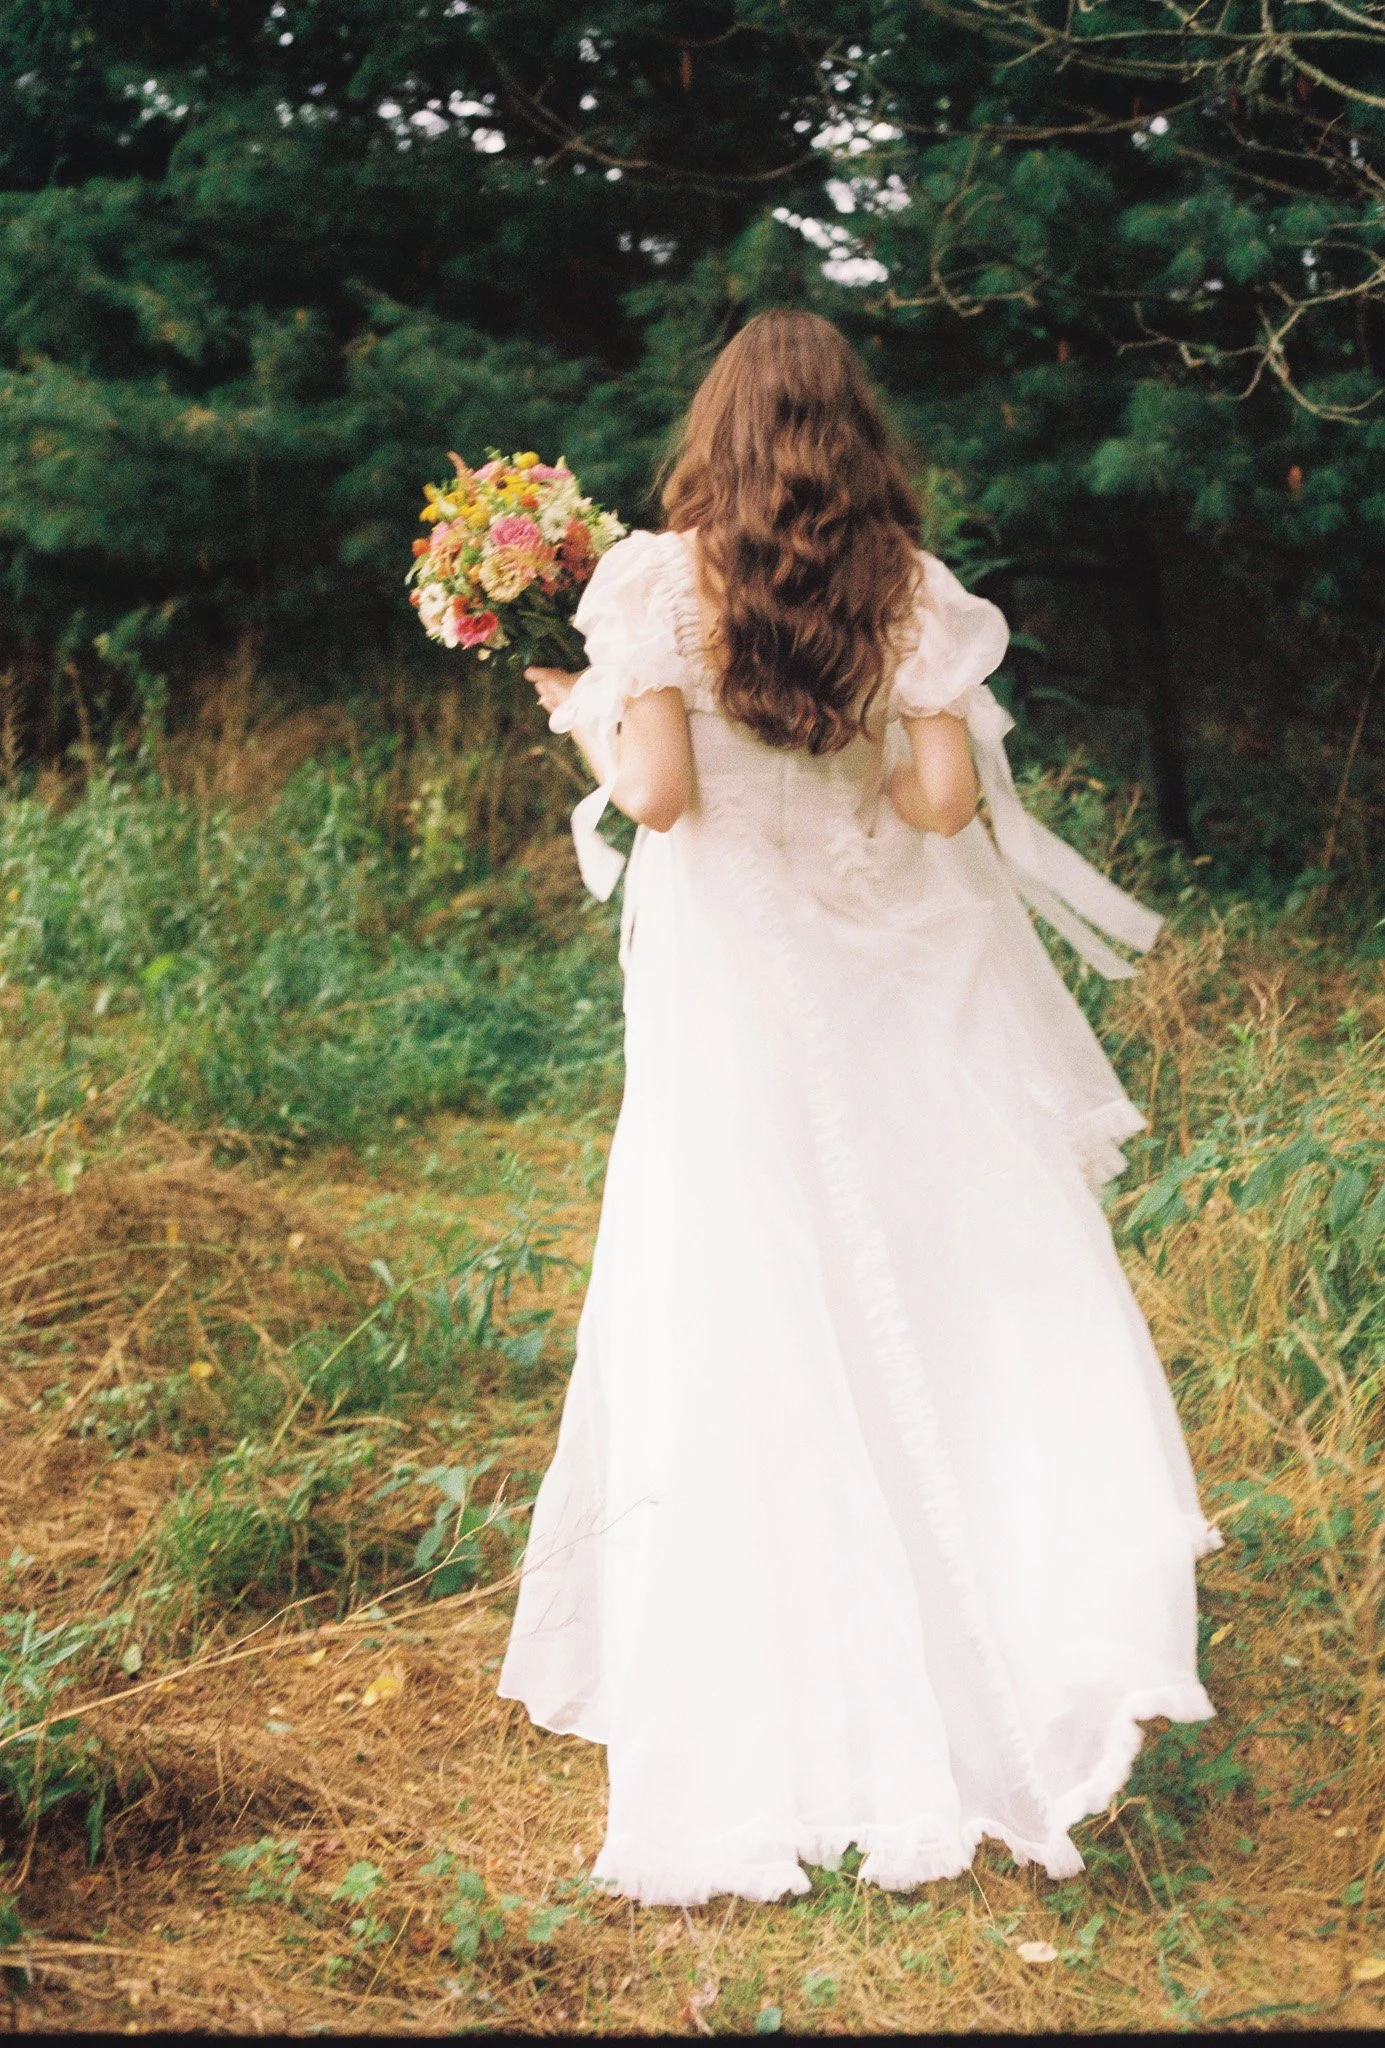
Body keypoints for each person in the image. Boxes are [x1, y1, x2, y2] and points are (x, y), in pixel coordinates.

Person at [499, 308, 1219, 1908]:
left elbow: (663, 798)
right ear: (856, 439)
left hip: (734, 993)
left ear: (721, 435)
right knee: (926, 1282)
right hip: (878, 981)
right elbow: (946, 800)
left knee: (748, 1292)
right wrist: (874, 787)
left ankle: (776, 1667)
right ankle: (987, 1607)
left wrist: (582, 711)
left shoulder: (651, 584)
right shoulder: (913, 595)